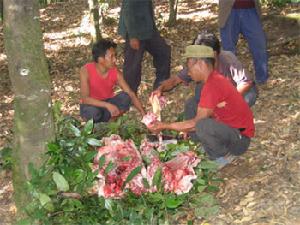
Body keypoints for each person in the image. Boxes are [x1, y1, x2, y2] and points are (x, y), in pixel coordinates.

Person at [148, 45, 255, 168]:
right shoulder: (211, 79)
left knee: (201, 125)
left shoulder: (213, 85)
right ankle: (198, 143)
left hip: (239, 140)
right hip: (227, 127)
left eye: (189, 67)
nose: (188, 72)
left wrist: (164, 125)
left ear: (201, 64)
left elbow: (195, 123)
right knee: (192, 103)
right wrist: (160, 88)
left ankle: (222, 154)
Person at [152, 31, 257, 121]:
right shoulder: (197, 63)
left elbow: (245, 82)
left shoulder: (227, 59)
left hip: (238, 92)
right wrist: (160, 88)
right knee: (193, 101)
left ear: (214, 54)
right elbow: (176, 80)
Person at [80, 39, 146, 123]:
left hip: (108, 103)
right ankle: (93, 125)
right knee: (93, 113)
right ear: (101, 59)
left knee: (126, 97)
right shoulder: (85, 71)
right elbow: (85, 99)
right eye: (111, 56)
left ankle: (111, 121)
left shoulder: (115, 72)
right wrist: (107, 105)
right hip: (92, 105)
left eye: (115, 56)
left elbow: (130, 93)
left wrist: (143, 113)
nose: (115, 60)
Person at [118, 0, 171, 93]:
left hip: (148, 29)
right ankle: (130, 96)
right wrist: (133, 36)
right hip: (135, 30)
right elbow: (128, 10)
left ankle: (160, 88)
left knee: (163, 52)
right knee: (132, 65)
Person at [219, 0, 268, 84]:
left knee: (259, 45)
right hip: (229, 11)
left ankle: (262, 78)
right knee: (228, 48)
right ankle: (230, 81)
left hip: (250, 10)